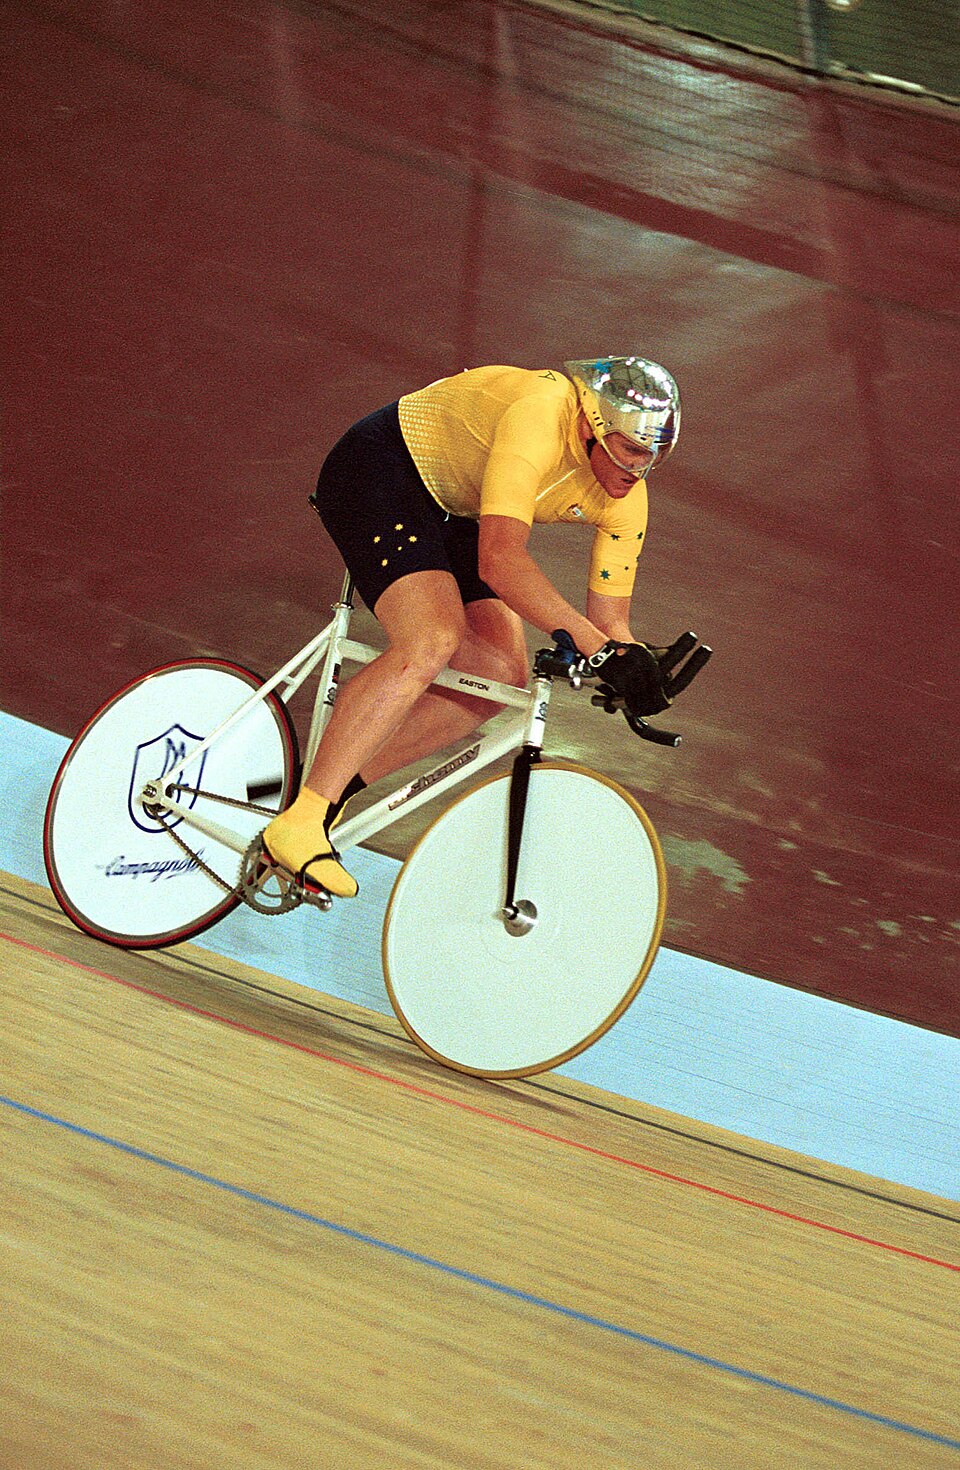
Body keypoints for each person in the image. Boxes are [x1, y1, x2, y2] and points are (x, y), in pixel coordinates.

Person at [263, 356, 684, 898]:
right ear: (592, 424)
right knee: (432, 639)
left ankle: (327, 791)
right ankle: (301, 822)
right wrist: (594, 645)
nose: (639, 469)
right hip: (383, 468)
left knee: (498, 677)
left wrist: (637, 667)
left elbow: (609, 624)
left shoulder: (630, 498)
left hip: (458, 502)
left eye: (654, 456)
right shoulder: (541, 414)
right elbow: (500, 562)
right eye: (630, 449)